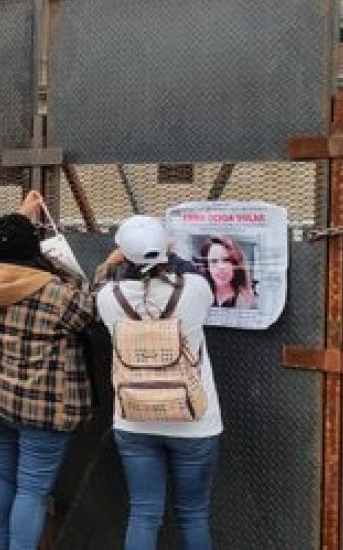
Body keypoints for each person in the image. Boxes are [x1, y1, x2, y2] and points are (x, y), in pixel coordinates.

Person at [0, 192, 97, 550]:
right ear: (34, 251)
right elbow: (93, 310)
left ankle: (3, 544)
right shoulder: (57, 295)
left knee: (6, 476)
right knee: (32, 490)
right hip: (44, 409)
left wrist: (19, 217)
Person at [96, 216, 222, 550]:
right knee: (194, 514)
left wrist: (118, 260)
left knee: (143, 514)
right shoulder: (194, 289)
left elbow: (104, 281)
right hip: (194, 420)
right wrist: (166, 252)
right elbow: (185, 271)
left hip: (133, 417)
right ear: (165, 248)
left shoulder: (109, 296)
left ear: (122, 254)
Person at [195, 236, 258, 309]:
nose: (221, 267)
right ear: (207, 266)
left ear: (235, 263)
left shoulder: (251, 302)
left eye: (226, 260)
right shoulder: (199, 298)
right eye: (214, 261)